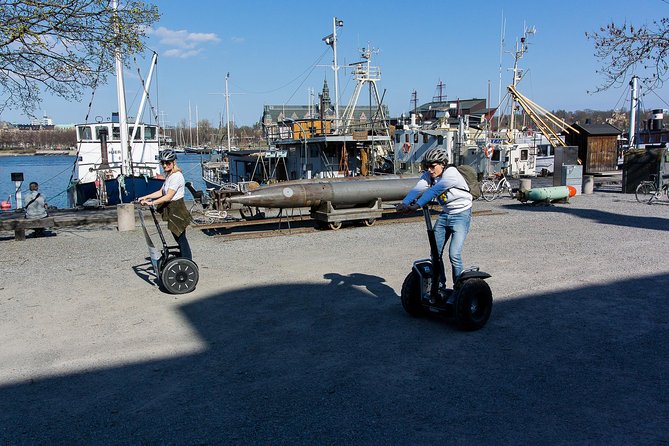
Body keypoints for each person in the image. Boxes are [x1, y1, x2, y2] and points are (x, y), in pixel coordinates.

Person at [396, 148, 473, 287]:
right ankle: (439, 285)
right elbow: (418, 188)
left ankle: (459, 288)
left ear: (443, 164)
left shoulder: (451, 174)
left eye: (433, 166)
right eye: (427, 167)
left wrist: (417, 205)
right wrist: (405, 203)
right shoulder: (429, 175)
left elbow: (433, 191)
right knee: (435, 253)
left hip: (461, 215)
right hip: (445, 214)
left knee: (454, 254)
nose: (430, 170)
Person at [139, 150, 193, 260]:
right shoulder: (170, 176)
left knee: (181, 239)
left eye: (167, 163)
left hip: (177, 210)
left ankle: (187, 262)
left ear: (173, 163)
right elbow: (161, 192)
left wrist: (152, 203)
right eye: (162, 163)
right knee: (178, 238)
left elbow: (168, 196)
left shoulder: (176, 176)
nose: (164, 165)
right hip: (172, 210)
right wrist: (146, 197)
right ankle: (184, 260)